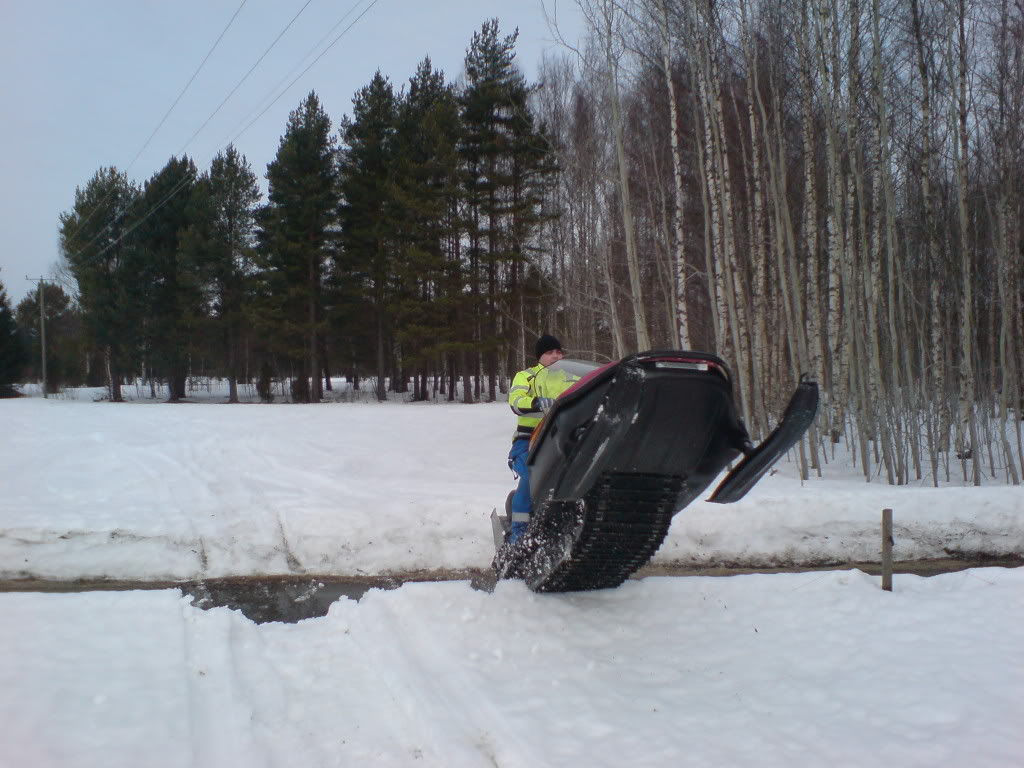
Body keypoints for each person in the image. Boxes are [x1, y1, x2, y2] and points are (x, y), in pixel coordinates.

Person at [505, 334, 570, 544]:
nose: (555, 356)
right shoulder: (527, 376)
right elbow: (516, 400)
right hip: (529, 442)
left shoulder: (572, 378)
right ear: (539, 356)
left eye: (558, 351)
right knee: (533, 474)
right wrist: (535, 403)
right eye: (549, 352)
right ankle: (518, 535)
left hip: (565, 443)